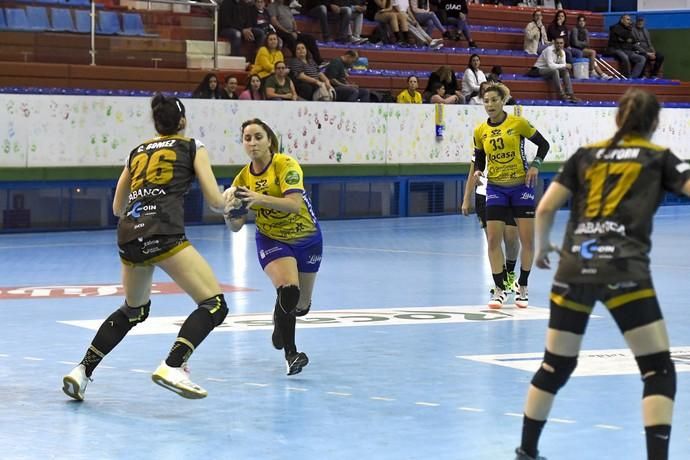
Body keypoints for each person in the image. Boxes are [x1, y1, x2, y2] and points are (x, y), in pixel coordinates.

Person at [515, 88, 686, 460]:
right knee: (657, 369)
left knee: (554, 364)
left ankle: (526, 451)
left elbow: (544, 209)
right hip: (623, 269)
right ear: (655, 123)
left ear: (617, 118)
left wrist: (543, 247)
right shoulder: (658, 158)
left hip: (573, 268)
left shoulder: (585, 155)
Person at [62, 94, 230, 401]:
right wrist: (232, 199)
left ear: (156, 123)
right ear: (182, 121)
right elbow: (216, 203)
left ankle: (82, 371)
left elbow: (117, 206)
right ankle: (173, 365)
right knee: (214, 305)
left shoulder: (137, 151)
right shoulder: (193, 146)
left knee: (134, 310)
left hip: (128, 233)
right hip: (163, 232)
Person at [225, 118, 322, 376]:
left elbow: (294, 204)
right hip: (272, 239)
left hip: (307, 237)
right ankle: (292, 355)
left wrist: (259, 198)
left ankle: (280, 319)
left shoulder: (286, 165)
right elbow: (236, 227)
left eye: (258, 137)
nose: (253, 142)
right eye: (247, 138)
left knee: (301, 306)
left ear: (269, 140)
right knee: (289, 291)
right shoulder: (242, 178)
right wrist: (230, 212)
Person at [472, 83, 550, 309]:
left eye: (494, 100)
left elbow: (543, 145)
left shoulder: (518, 123)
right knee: (494, 240)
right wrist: (478, 171)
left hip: (521, 187)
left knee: (526, 241)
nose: (490, 105)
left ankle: (522, 285)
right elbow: (480, 157)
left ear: (503, 101)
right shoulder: (480, 131)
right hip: (495, 188)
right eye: (486, 101)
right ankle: (499, 289)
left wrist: (535, 165)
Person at [461, 145, 520, 299]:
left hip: (509, 193)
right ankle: (501, 283)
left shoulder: (513, 138)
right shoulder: (482, 141)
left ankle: (511, 273)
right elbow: (472, 172)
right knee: (493, 241)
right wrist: (467, 198)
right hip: (484, 195)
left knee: (511, 238)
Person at [533, 37, 580, 103]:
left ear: (564, 44)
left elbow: (562, 67)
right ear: (554, 43)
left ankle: (570, 94)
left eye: (561, 43)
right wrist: (565, 65)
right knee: (555, 71)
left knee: (565, 71)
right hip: (538, 69)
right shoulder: (549, 50)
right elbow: (551, 65)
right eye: (557, 43)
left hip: (549, 70)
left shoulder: (562, 52)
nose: (559, 45)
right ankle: (562, 95)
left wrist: (564, 65)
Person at [569, 14, 611, 80]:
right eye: (580, 21)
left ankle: (602, 75)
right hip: (575, 49)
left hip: (582, 49)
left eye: (583, 21)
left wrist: (583, 44)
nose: (582, 22)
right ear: (577, 22)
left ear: (585, 22)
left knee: (593, 60)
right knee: (593, 52)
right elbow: (575, 43)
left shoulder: (585, 30)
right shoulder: (575, 30)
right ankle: (591, 71)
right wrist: (584, 43)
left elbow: (587, 43)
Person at [607, 14, 646, 79]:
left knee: (642, 58)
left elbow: (633, 40)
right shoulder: (614, 27)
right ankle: (626, 77)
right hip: (614, 49)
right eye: (627, 19)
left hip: (626, 50)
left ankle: (632, 77)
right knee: (625, 57)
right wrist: (626, 38)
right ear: (622, 20)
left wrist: (625, 38)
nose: (629, 21)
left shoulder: (628, 29)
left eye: (630, 20)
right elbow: (625, 36)